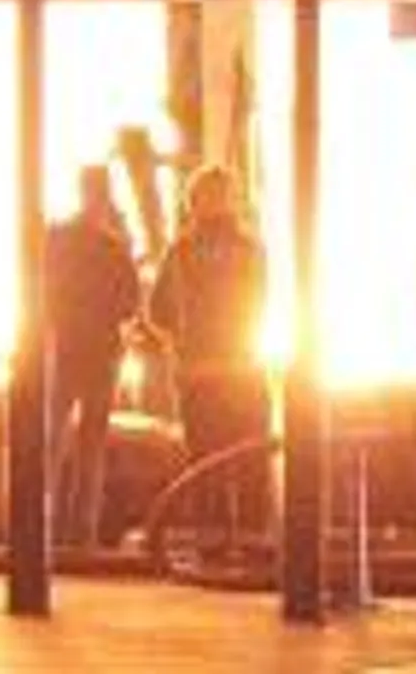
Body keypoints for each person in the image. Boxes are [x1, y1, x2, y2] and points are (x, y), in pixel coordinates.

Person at [150, 165, 270, 550]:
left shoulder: (181, 251)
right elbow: (262, 301)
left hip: (198, 372)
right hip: (243, 368)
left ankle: (211, 539)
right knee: (251, 454)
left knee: (204, 460)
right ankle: (254, 538)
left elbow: (157, 312)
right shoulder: (252, 249)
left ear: (193, 202)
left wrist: (183, 343)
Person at [45, 164, 142, 548]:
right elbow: (131, 303)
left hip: (65, 347)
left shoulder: (58, 238)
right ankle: (81, 533)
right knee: (90, 446)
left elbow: (43, 289)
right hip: (100, 352)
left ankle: (39, 528)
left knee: (50, 441)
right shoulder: (114, 244)